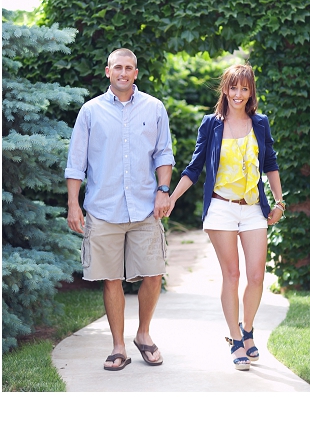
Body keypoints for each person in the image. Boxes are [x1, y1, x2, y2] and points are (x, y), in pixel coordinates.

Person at [166, 63, 284, 371]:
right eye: (234, 87)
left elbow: (270, 164)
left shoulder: (260, 123)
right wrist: (172, 198)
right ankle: (235, 339)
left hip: (253, 208)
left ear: (250, 92)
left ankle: (247, 329)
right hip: (221, 208)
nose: (239, 94)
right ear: (225, 89)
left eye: (245, 88)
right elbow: (194, 168)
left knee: (256, 276)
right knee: (232, 275)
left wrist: (279, 202)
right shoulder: (211, 124)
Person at [66, 48, 175, 371]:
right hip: (103, 208)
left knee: (154, 274)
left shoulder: (154, 108)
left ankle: (143, 334)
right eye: (118, 68)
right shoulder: (90, 111)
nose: (123, 73)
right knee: (111, 278)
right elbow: (76, 162)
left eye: (129, 68)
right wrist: (74, 204)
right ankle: (117, 347)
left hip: (145, 208)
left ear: (136, 73)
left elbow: (164, 154)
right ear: (108, 71)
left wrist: (163, 191)